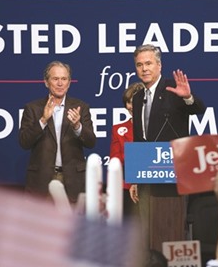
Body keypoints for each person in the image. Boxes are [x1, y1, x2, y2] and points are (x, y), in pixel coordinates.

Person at [129, 44, 206, 249]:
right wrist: (135, 177)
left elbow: (199, 108)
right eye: (139, 65)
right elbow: (140, 139)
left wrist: (188, 97)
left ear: (159, 65)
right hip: (146, 175)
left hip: (172, 172)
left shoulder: (173, 89)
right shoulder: (137, 98)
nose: (144, 69)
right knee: (148, 231)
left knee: (171, 229)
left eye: (148, 63)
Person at [19, 61, 96, 204]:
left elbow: (91, 142)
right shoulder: (33, 108)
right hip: (42, 180)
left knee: (72, 225)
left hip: (72, 181)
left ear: (69, 82)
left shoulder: (81, 107)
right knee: (41, 224)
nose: (60, 83)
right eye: (55, 79)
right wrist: (43, 120)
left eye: (64, 79)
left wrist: (77, 126)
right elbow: (24, 142)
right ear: (46, 82)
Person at [109, 82, 144, 216]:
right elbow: (115, 160)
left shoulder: (155, 128)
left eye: (136, 102)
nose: (131, 106)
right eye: (129, 102)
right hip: (126, 186)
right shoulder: (118, 129)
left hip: (152, 185)